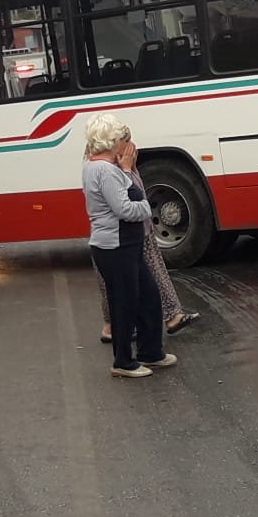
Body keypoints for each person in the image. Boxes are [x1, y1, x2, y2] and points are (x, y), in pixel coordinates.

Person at [82, 113, 176, 380]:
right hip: (115, 246)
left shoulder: (101, 168)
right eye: (124, 140)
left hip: (123, 245)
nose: (129, 145)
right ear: (113, 142)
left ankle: (150, 351)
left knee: (147, 297)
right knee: (124, 303)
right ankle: (123, 361)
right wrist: (145, 205)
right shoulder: (106, 170)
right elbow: (126, 207)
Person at [96, 148, 200, 344]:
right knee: (134, 283)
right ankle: (124, 333)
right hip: (125, 236)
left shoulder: (113, 168)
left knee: (149, 275)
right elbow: (128, 199)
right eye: (126, 144)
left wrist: (131, 168)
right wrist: (127, 170)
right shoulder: (108, 171)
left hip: (134, 233)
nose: (131, 149)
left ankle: (169, 317)